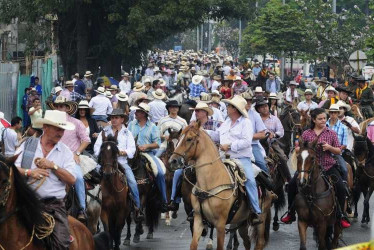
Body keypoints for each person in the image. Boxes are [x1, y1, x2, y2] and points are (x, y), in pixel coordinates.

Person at [15, 110, 77, 249]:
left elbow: (72, 179)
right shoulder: (28, 145)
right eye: (57, 129)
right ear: (45, 127)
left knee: (61, 243)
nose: (60, 133)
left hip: (53, 206)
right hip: (25, 203)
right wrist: (30, 172)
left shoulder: (65, 152)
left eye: (62, 130)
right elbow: (12, 170)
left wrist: (53, 166)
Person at [281, 108, 351, 228]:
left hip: (328, 166)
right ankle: (291, 212)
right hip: (308, 168)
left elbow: (339, 150)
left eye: (324, 118)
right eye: (320, 118)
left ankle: (341, 215)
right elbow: (298, 148)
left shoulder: (331, 133)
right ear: (313, 119)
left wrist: (329, 147)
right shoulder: (306, 133)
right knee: (292, 184)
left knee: (340, 187)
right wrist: (300, 149)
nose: (323, 120)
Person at [208, 95, 262, 224]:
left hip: (241, 158)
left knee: (249, 180)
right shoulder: (226, 122)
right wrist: (203, 132)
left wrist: (230, 145)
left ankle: (256, 211)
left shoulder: (246, 123)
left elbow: (247, 142)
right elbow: (217, 135)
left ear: (235, 109)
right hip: (222, 157)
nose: (227, 108)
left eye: (229, 106)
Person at [168, 102, 220, 212]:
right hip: (192, 157)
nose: (196, 113)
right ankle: (174, 199)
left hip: (211, 157)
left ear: (205, 112)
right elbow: (183, 141)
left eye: (198, 111)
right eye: (195, 111)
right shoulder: (190, 125)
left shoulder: (216, 124)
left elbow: (220, 138)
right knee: (178, 173)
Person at [94, 109, 144, 221]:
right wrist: (103, 153)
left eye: (116, 118)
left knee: (132, 182)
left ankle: (137, 208)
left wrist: (122, 152)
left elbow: (132, 149)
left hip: (121, 162)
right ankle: (88, 206)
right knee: (90, 178)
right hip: (105, 163)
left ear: (122, 119)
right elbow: (96, 148)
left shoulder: (127, 133)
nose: (114, 120)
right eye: (112, 118)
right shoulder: (104, 132)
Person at [53, 96, 90, 220]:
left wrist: (77, 153)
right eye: (57, 106)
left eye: (61, 106)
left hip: (71, 159)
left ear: (67, 108)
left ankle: (82, 209)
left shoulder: (76, 123)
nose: (59, 109)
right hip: (54, 158)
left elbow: (86, 140)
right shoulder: (51, 123)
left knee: (78, 178)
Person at [127, 103, 168, 212]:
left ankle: (164, 201)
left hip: (147, 154)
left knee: (159, 172)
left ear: (144, 114)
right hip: (131, 153)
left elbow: (157, 143)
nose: (136, 113)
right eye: (136, 111)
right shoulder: (131, 124)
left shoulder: (152, 127)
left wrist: (146, 146)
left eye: (138, 112)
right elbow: (126, 136)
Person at [242, 92, 268, 173]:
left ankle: (268, 183)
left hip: (252, 145)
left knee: (261, 164)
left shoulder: (255, 115)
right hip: (236, 145)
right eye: (247, 101)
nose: (249, 103)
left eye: (250, 101)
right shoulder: (234, 114)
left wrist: (248, 136)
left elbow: (262, 134)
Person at [326, 104, 349, 181]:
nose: (333, 114)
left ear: (338, 114)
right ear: (329, 113)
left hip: (336, 154)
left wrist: (333, 149)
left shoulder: (343, 127)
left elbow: (344, 145)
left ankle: (344, 187)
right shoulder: (323, 125)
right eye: (331, 112)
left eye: (335, 112)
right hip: (323, 153)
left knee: (344, 170)